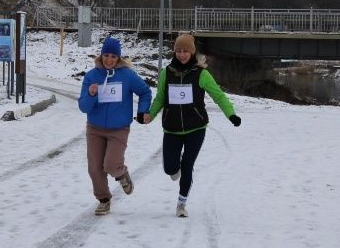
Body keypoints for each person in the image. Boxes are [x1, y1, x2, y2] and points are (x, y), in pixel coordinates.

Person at [143, 33, 241, 217]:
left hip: (196, 128)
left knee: (187, 164)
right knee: (170, 169)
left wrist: (231, 114)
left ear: (192, 52)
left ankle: (181, 204)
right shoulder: (167, 73)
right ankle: (175, 169)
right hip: (171, 128)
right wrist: (150, 115)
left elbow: (218, 95)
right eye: (178, 51)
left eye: (185, 51)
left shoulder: (201, 74)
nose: (181, 54)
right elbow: (160, 98)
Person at [79, 37, 152, 216]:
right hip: (95, 128)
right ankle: (104, 200)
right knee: (95, 168)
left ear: (118, 58)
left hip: (118, 129)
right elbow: (83, 107)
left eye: (113, 56)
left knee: (111, 165)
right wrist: (91, 93)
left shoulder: (127, 75)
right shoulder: (92, 76)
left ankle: (121, 174)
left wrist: (143, 111)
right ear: (101, 55)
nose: (109, 59)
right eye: (106, 55)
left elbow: (145, 92)